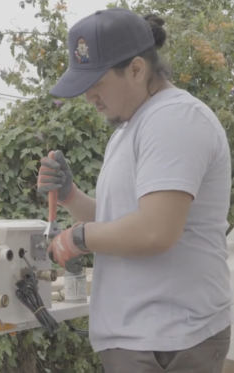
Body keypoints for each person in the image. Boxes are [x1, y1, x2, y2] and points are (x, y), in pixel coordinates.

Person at [37, 7, 232, 373]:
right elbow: (123, 223)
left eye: (96, 83)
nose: (89, 97)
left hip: (170, 340)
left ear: (137, 69)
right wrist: (70, 196)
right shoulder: (132, 128)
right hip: (147, 339)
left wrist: (78, 237)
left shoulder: (174, 120)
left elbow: (154, 232)